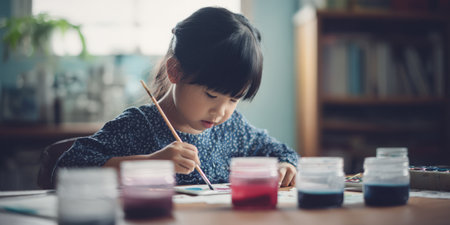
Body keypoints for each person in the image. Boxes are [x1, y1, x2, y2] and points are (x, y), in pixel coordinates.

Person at [55, 7, 298, 187]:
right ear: (175, 71)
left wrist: (286, 167)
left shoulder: (233, 129)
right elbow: (67, 168)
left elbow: (284, 154)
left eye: (234, 99)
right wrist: (150, 163)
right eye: (211, 94)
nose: (221, 111)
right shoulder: (138, 125)